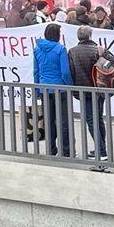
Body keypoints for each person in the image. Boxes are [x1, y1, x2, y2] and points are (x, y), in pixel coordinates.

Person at [68, 25, 110, 160]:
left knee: (91, 120)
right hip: (99, 88)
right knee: (98, 118)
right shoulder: (99, 50)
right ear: (90, 36)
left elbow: (71, 71)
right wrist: (100, 64)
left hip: (83, 90)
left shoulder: (73, 51)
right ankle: (101, 148)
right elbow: (113, 62)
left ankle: (101, 150)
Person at [31, 22, 72, 157]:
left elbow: (36, 71)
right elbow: (65, 72)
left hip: (44, 88)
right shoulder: (60, 49)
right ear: (57, 35)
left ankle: (51, 148)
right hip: (60, 88)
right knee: (64, 120)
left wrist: (37, 88)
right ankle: (66, 150)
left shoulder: (37, 49)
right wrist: (70, 85)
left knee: (49, 120)